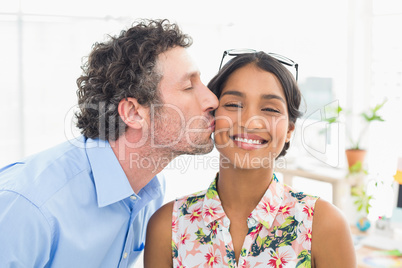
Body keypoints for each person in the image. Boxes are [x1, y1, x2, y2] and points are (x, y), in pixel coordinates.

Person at [0, 19, 218, 267]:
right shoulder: (30, 207)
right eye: (189, 86)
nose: (212, 99)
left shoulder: (149, 192)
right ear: (134, 113)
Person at [144, 50, 356, 267]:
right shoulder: (167, 226)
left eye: (270, 109)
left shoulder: (324, 225)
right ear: (212, 116)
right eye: (234, 105)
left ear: (290, 129)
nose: (250, 122)